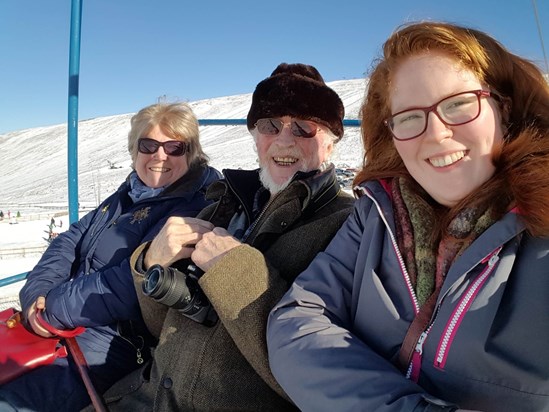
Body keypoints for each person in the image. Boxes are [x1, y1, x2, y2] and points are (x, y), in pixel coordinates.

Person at [267, 21, 549, 412]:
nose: (435, 134)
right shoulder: (376, 213)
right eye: (410, 116)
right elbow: (298, 317)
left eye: (459, 104)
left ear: (503, 109)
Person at [96, 63, 355, 411]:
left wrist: (232, 270)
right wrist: (150, 265)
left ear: (331, 143)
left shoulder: (347, 226)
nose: (283, 138)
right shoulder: (221, 207)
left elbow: (318, 376)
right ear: (255, 136)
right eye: (270, 124)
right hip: (144, 396)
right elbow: (162, 326)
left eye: (305, 127)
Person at [0, 102, 221, 411]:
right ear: (134, 150)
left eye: (174, 147)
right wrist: (38, 292)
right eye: (149, 145)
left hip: (117, 342)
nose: (160, 156)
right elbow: (68, 242)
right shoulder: (128, 193)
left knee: (14, 401)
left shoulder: (193, 207)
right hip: (67, 320)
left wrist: (53, 308)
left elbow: (130, 284)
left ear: (191, 152)